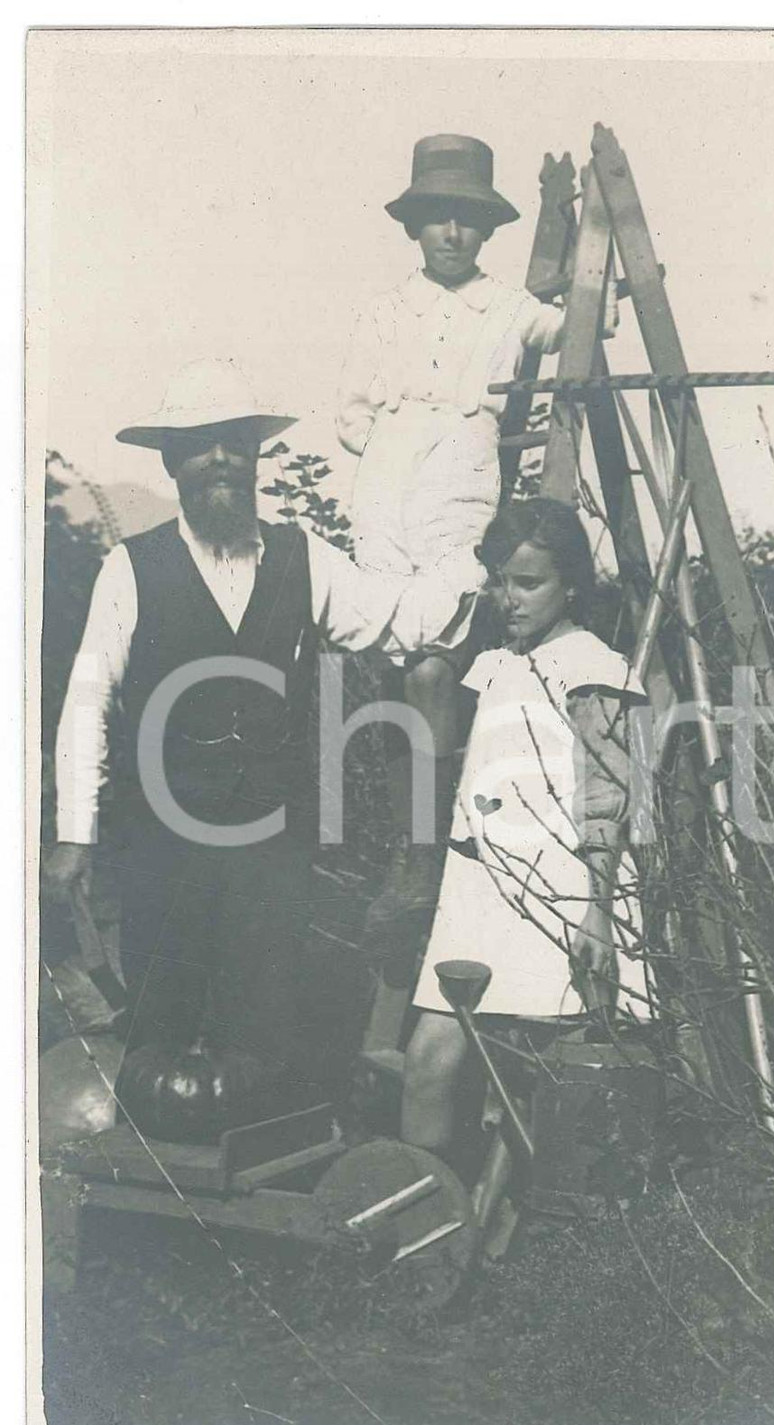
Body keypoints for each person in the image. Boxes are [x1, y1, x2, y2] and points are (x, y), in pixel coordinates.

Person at [45, 358, 482, 1109]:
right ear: (171, 461)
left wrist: (476, 561)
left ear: (255, 457)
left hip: (272, 839)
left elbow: (400, 618)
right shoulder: (132, 567)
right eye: (202, 443)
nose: (221, 457)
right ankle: (159, 1200)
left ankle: (256, 1191)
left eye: (235, 442)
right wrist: (75, 832)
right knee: (163, 1012)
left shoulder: (300, 556)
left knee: (265, 1014)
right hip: (164, 837)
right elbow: (88, 699)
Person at [337, 134, 618, 945]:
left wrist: (600, 286)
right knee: (398, 667)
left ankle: (421, 858)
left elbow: (574, 331)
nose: (451, 234)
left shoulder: (509, 308)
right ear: (415, 227)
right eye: (437, 219)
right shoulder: (383, 313)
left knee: (434, 661)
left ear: (486, 230)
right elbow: (351, 411)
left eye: (466, 220)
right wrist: (393, 440)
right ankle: (407, 848)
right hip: (387, 478)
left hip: (461, 469)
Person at [400, 498, 650, 1167]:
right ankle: (422, 1222)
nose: (508, 598)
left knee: (537, 1082)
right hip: (479, 888)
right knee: (429, 1059)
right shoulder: (496, 665)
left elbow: (608, 797)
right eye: (498, 581)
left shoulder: (594, 667)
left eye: (528, 582)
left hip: (558, 886)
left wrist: (597, 913)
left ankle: (527, 1236)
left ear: (570, 582)